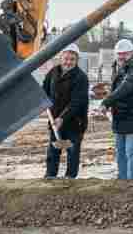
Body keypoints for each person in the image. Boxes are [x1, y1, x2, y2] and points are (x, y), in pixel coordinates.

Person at [100, 39, 133, 180]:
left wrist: (107, 102)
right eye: (119, 54)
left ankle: (131, 182)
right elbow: (116, 90)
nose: (121, 57)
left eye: (125, 54)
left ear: (132, 54)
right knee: (120, 151)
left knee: (131, 151)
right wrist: (109, 104)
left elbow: (125, 88)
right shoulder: (117, 68)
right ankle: (122, 181)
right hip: (120, 116)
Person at [43, 44, 89, 179]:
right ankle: (50, 176)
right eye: (66, 58)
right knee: (54, 150)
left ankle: (70, 178)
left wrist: (62, 118)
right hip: (55, 120)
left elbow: (77, 102)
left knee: (72, 151)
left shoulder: (80, 77)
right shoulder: (53, 72)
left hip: (74, 122)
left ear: (76, 60)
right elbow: (44, 91)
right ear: (61, 58)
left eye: (72, 59)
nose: (68, 62)